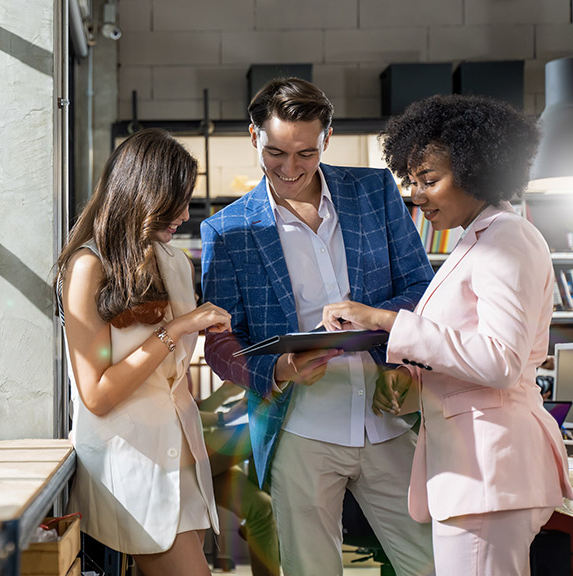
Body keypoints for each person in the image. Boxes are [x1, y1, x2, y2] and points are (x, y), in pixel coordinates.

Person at [322, 94, 573, 576]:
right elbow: (470, 359)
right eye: (412, 181)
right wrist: (414, 386)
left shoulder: (506, 239)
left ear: (478, 171)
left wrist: (387, 321)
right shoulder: (477, 239)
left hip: (489, 472)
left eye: (430, 181)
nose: (417, 196)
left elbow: (500, 360)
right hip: (476, 471)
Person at [200, 77, 436, 576]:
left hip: (387, 418)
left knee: (433, 563)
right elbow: (221, 341)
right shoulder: (228, 230)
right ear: (253, 138)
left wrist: (384, 336)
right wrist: (279, 368)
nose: (290, 168)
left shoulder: (374, 192)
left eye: (305, 153)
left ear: (326, 139)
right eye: (276, 153)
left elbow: (421, 285)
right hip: (298, 429)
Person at [55, 128, 232, 576]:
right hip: (129, 462)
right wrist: (175, 329)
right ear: (143, 195)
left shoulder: (171, 260)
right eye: (175, 203)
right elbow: (95, 395)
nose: (185, 215)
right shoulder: (87, 267)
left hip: (181, 454)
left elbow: (174, 377)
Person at [198, 380, 280, 576]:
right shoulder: (164, 358)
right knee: (259, 431)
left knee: (262, 508)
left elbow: (189, 410)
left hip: (203, 459)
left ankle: (268, 512)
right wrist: (224, 417)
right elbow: (177, 417)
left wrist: (223, 393)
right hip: (181, 459)